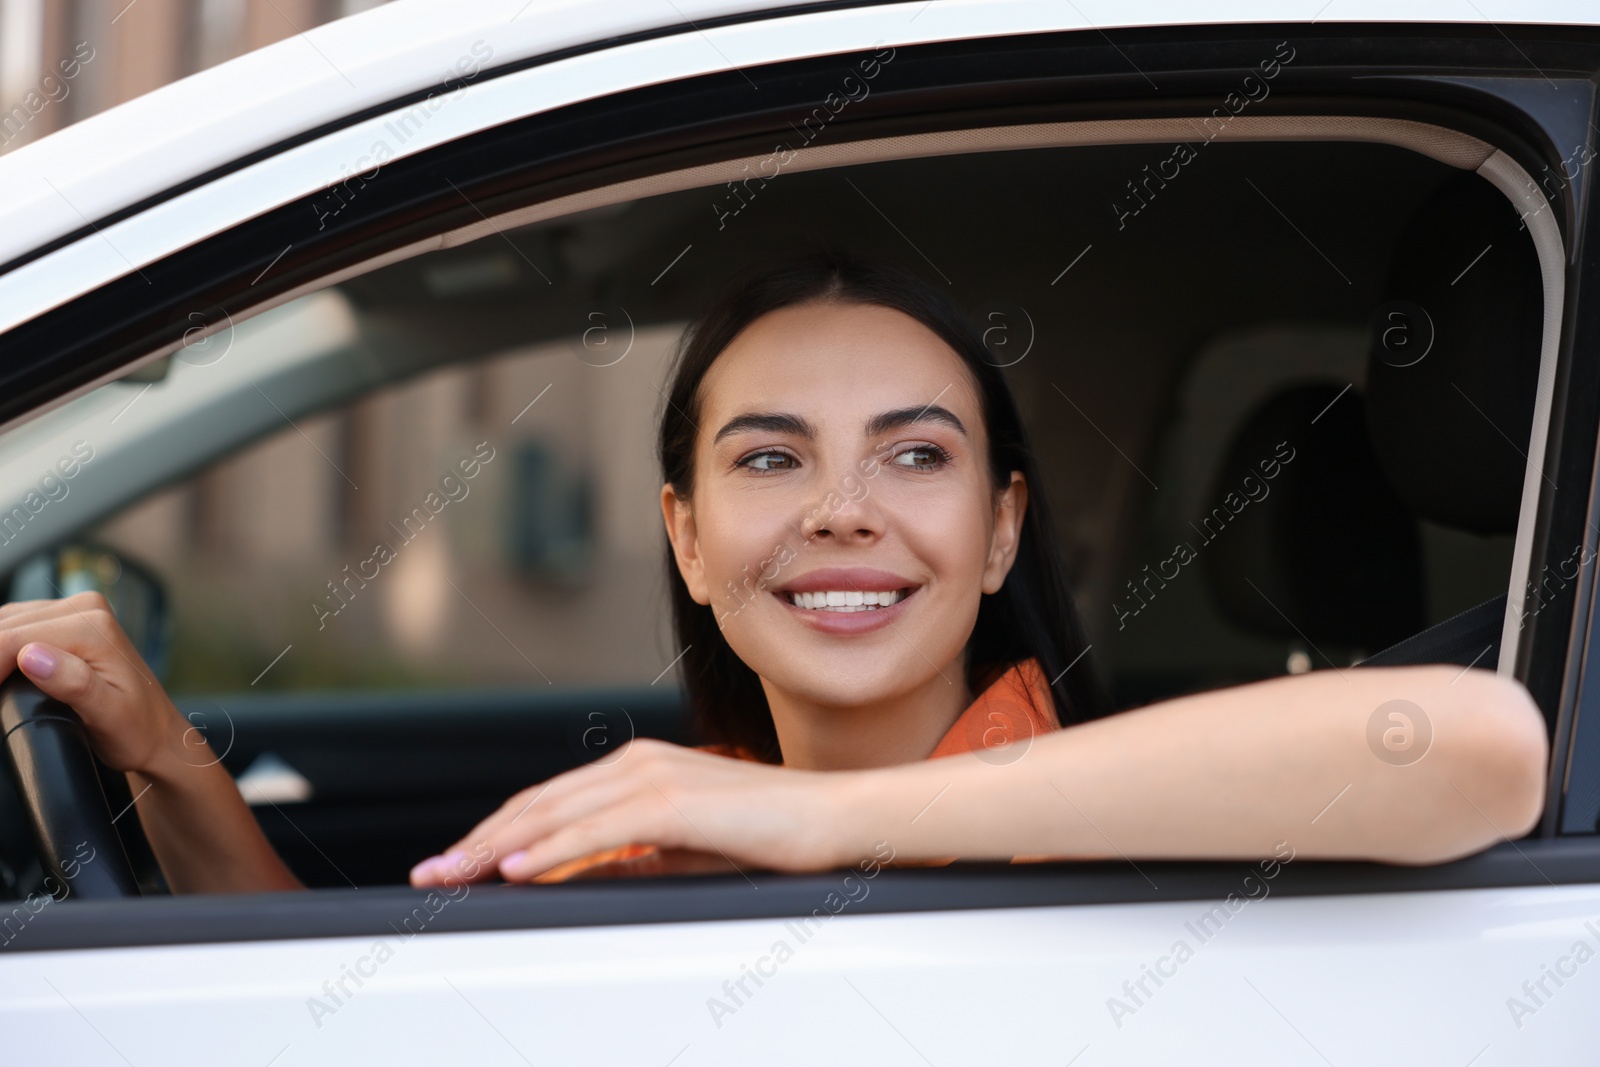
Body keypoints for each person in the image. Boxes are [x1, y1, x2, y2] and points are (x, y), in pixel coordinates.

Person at [0, 253, 1548, 896]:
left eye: (917, 454)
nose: (843, 511)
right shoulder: (688, 813)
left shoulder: (1102, 825)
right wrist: (159, 750)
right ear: (684, 531)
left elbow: (1479, 750)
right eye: (768, 458)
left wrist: (824, 816)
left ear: (1003, 528)